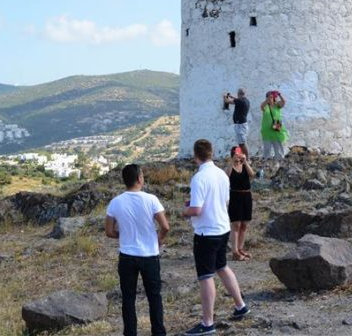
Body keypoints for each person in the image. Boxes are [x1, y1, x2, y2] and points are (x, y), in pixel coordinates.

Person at [182, 139, 250, 335]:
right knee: (222, 266)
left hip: (206, 232)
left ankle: (207, 323)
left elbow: (196, 209)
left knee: (206, 276)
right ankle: (240, 305)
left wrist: (184, 210)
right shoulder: (221, 174)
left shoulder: (199, 178)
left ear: (195, 155)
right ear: (211, 153)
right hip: (222, 228)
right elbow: (225, 200)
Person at [105, 164, 170, 336]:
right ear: (140, 178)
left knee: (128, 298)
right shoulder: (151, 199)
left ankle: (130, 333)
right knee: (154, 297)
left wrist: (123, 234)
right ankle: (158, 332)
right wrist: (159, 239)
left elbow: (109, 231)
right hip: (149, 254)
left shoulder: (115, 202)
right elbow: (165, 226)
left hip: (127, 256)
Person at [224, 146, 255, 261]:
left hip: (246, 196)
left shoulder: (244, 165)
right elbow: (226, 175)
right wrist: (232, 162)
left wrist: (245, 161)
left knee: (244, 224)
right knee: (236, 224)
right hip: (235, 196)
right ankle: (234, 251)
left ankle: (241, 248)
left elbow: (252, 174)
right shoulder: (230, 167)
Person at [260, 90, 288, 161]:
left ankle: (279, 160)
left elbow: (284, 102)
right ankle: (266, 161)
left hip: (276, 128)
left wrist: (279, 94)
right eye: (268, 97)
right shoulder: (265, 106)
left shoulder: (277, 105)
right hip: (267, 131)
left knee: (278, 146)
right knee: (267, 147)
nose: (270, 98)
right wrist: (267, 100)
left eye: (271, 97)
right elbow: (261, 106)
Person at [224, 88, 250, 159]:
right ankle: (246, 158)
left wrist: (224, 96)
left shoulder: (240, 101)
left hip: (240, 125)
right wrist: (232, 96)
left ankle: (247, 159)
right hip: (241, 125)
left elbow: (227, 101)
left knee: (242, 144)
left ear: (239, 94)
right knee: (242, 142)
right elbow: (236, 100)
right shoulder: (245, 100)